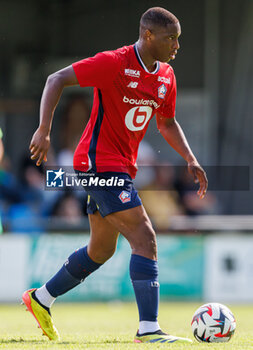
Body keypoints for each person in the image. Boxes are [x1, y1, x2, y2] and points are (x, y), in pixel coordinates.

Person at [22, 7, 208, 344]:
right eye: (171, 38)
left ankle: (41, 299)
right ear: (148, 36)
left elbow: (165, 123)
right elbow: (56, 79)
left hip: (121, 166)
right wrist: (44, 129)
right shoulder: (114, 63)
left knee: (101, 249)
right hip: (97, 164)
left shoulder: (166, 76)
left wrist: (190, 158)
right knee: (145, 237)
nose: (177, 45)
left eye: (178, 39)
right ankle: (149, 329)